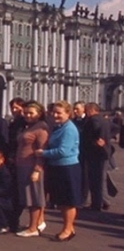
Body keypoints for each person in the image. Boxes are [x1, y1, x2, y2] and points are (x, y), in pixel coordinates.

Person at [36, 100, 81, 242]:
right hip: (58, 167)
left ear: (68, 113)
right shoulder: (58, 127)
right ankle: (68, 228)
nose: (55, 115)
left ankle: (68, 229)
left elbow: (63, 151)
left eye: (59, 113)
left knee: (68, 201)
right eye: (54, 112)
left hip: (68, 167)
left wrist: (43, 153)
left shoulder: (69, 129)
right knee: (62, 200)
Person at [14, 101, 48, 237]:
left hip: (31, 166)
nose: (27, 115)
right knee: (28, 197)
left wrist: (37, 170)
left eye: (31, 113)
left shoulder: (41, 128)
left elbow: (42, 150)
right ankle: (32, 224)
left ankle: (33, 228)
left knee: (34, 197)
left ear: (39, 114)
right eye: (26, 112)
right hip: (22, 166)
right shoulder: (29, 126)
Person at [82, 102, 112, 211]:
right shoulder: (104, 119)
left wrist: (95, 140)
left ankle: (96, 203)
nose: (85, 112)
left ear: (91, 110)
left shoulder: (93, 120)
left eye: (86, 110)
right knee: (101, 179)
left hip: (95, 153)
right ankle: (104, 201)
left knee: (95, 180)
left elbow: (93, 132)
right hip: (103, 153)